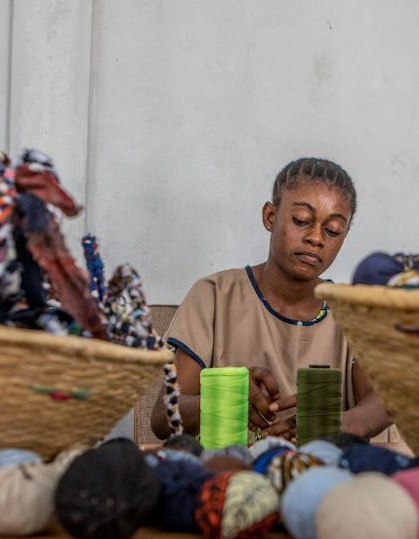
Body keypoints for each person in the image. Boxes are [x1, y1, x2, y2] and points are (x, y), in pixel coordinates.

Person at [149, 157, 391, 444]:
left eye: (333, 230)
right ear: (270, 216)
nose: (316, 238)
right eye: (301, 220)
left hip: (318, 475)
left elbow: (386, 400)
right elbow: (162, 418)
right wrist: (228, 402)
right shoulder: (214, 295)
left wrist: (341, 424)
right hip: (228, 471)